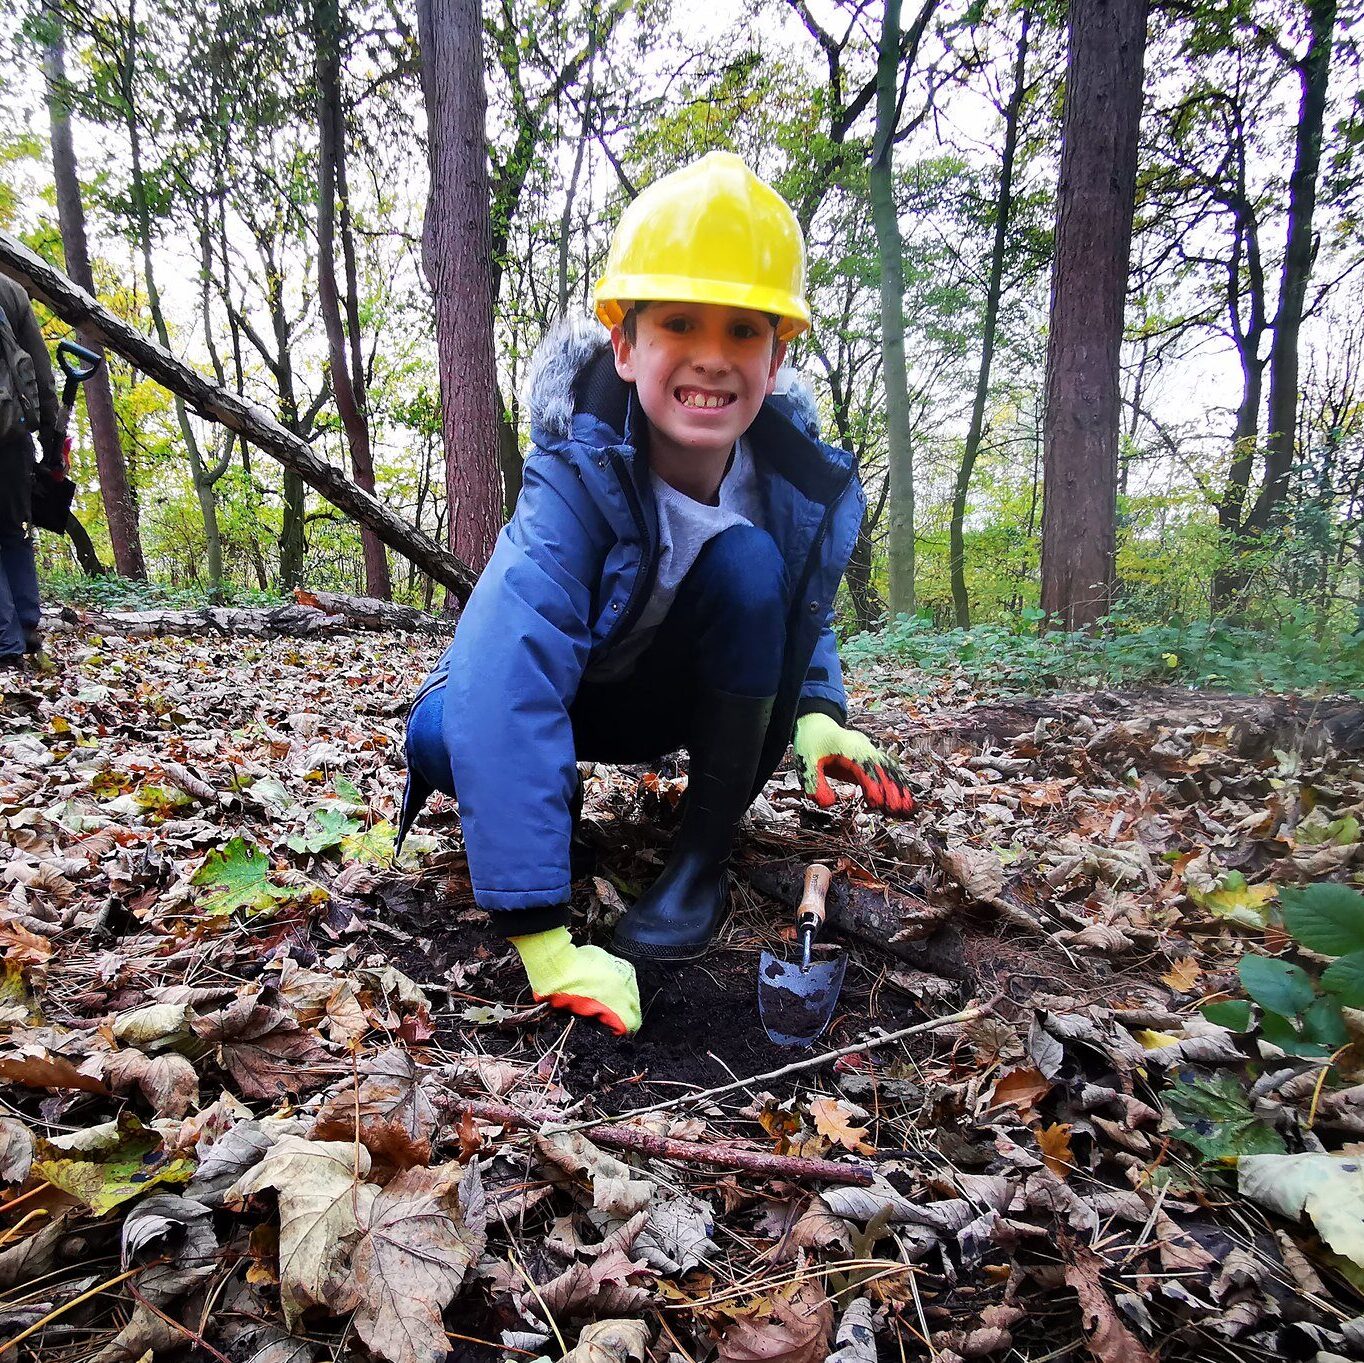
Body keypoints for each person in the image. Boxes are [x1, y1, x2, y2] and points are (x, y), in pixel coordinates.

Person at [399, 152, 914, 1036]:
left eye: (745, 331)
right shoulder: (576, 465)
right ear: (626, 343)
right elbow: (507, 667)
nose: (713, 360)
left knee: (752, 564)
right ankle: (540, 836)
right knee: (450, 731)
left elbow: (796, 613)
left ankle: (695, 869)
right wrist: (540, 933)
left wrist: (820, 710)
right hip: (571, 693)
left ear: (779, 353)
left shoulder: (784, 473)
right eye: (680, 323)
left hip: (670, 701)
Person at [0, 275, 59, 666]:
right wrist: (53, 442)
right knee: (15, 530)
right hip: (11, 432)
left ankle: (6, 644)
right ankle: (25, 628)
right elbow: (40, 370)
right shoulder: (10, 290)